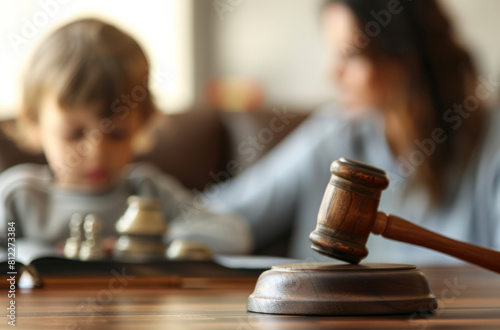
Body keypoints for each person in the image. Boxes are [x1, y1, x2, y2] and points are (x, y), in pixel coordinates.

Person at [207, 0, 500, 264]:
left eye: (352, 55)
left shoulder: (491, 144)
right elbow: (222, 215)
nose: (331, 74)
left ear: (406, 56)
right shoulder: (331, 136)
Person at [0, 18, 253, 256]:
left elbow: (234, 235)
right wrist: (26, 252)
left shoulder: (147, 191)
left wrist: (154, 243)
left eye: (117, 134)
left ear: (140, 126)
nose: (96, 152)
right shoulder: (19, 198)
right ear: (35, 123)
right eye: (74, 134)